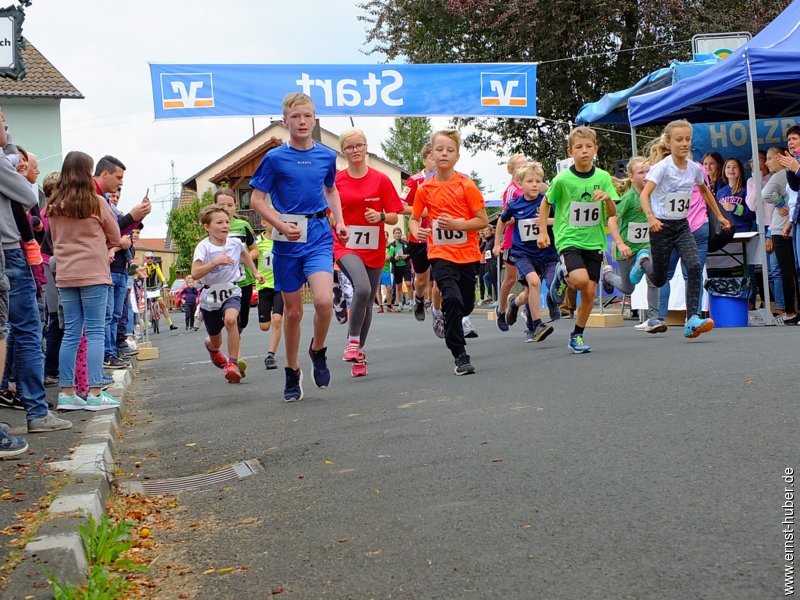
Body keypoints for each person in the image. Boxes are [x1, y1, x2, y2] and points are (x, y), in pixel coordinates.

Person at [249, 92, 348, 402]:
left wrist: (339, 221)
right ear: (285, 121)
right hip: (287, 238)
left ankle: (317, 349)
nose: (302, 121)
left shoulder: (326, 156)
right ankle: (292, 371)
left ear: (315, 119)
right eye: (296, 117)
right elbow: (255, 200)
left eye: (307, 116)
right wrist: (279, 225)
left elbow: (331, 190)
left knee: (322, 301)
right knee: (292, 314)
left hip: (318, 232)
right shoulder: (275, 158)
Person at [0, 123, 71, 430]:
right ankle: (37, 412)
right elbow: (27, 195)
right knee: (25, 330)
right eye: (3, 123)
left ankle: (13, 393)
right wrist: (13, 156)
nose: (7, 127)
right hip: (10, 249)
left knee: (12, 330)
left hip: (13, 250)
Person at [639, 120, 731, 339]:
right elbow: (644, 194)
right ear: (669, 142)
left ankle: (692, 319)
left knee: (694, 266)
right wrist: (650, 217)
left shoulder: (694, 168)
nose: (684, 144)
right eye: (679, 140)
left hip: (682, 225)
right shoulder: (662, 167)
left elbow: (705, 191)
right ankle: (643, 261)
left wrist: (719, 215)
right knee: (661, 278)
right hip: (661, 226)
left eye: (687, 139)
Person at [48, 151, 122, 411]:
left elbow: (53, 239)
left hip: (66, 274)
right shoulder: (96, 202)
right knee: (95, 333)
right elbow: (115, 236)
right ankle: (94, 392)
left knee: (71, 333)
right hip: (93, 272)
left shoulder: (54, 204)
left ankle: (67, 393)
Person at [409, 129, 488, 375]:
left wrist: (458, 225)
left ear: (457, 156)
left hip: (468, 254)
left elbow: (482, 220)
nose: (444, 154)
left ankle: (451, 318)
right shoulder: (424, 188)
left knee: (464, 304)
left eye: (449, 150)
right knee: (450, 298)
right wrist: (417, 231)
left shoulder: (467, 185)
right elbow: (413, 218)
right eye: (439, 149)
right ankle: (460, 355)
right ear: (431, 154)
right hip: (440, 253)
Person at [538, 126, 618, 354]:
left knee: (590, 293)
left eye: (588, 147)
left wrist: (606, 199)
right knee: (581, 281)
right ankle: (563, 276)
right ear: (570, 151)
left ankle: (577, 335)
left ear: (596, 149)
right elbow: (546, 202)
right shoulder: (563, 179)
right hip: (569, 238)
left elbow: (612, 212)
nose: (584, 151)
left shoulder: (603, 177)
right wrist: (544, 232)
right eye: (579, 147)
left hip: (594, 241)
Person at [334, 129, 404, 377]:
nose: (355, 150)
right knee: (362, 289)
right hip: (345, 244)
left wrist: (381, 216)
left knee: (368, 303)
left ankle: (358, 353)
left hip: (374, 247)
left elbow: (395, 213)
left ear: (366, 147)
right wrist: (337, 221)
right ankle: (352, 340)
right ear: (343, 151)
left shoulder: (381, 179)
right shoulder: (337, 180)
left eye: (359, 146)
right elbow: (329, 209)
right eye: (349, 147)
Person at [191, 204, 264, 383]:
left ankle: (232, 364)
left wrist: (255, 272)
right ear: (207, 227)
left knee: (231, 320)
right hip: (210, 294)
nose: (225, 226)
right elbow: (195, 273)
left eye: (227, 222)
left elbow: (245, 255)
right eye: (219, 223)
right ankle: (212, 348)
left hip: (231, 289)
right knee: (216, 340)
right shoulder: (203, 247)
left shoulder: (235, 243)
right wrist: (215, 263)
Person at [494, 162, 556, 343]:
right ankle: (536, 324)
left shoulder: (547, 201)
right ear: (521, 184)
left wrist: (546, 221)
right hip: (522, 252)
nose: (535, 184)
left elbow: (561, 218)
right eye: (530, 181)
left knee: (538, 289)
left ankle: (514, 304)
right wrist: (497, 243)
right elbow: (501, 220)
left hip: (546, 252)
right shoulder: (514, 203)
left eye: (538, 181)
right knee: (532, 282)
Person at [602, 157, 665, 333]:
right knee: (628, 287)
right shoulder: (629, 198)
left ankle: (653, 318)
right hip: (627, 248)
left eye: (648, 171)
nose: (646, 176)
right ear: (630, 176)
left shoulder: (656, 194)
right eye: (641, 172)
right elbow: (612, 221)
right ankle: (607, 275)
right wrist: (620, 244)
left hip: (647, 245)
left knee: (653, 278)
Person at [762, 146, 799, 325]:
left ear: (779, 158)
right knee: (791, 271)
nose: (767, 163)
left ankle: (789, 311)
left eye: (769, 158)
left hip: (780, 227)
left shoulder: (779, 175)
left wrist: (780, 202)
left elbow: (765, 194)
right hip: (783, 226)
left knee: (784, 272)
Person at [212, 189, 258, 333]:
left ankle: (232, 348)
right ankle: (234, 355)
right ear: (214, 206)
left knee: (242, 321)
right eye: (221, 205)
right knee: (230, 320)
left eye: (229, 205)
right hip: (222, 281)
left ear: (235, 206)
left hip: (244, 279)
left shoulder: (243, 226)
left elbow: (255, 250)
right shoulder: (212, 227)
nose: (226, 209)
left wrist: (243, 259)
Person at [495, 153, 528, 331]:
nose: (524, 169)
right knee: (510, 278)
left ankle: (526, 310)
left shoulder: (531, 186)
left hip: (529, 240)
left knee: (530, 280)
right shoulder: (512, 191)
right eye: (520, 167)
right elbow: (505, 219)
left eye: (526, 165)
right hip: (513, 241)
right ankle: (501, 309)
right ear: (512, 171)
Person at [254, 219, 284, 370]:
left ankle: (270, 355)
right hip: (264, 287)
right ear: (264, 223)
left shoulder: (283, 240)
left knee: (277, 320)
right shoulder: (257, 242)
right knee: (264, 326)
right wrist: (255, 273)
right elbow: (249, 258)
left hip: (280, 286)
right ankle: (270, 321)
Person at [716, 158, 755, 233]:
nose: (731, 169)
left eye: (735, 167)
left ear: (740, 170)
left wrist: (735, 208)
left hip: (742, 231)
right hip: (725, 232)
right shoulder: (720, 192)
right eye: (728, 167)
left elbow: (752, 215)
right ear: (724, 170)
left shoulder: (746, 190)